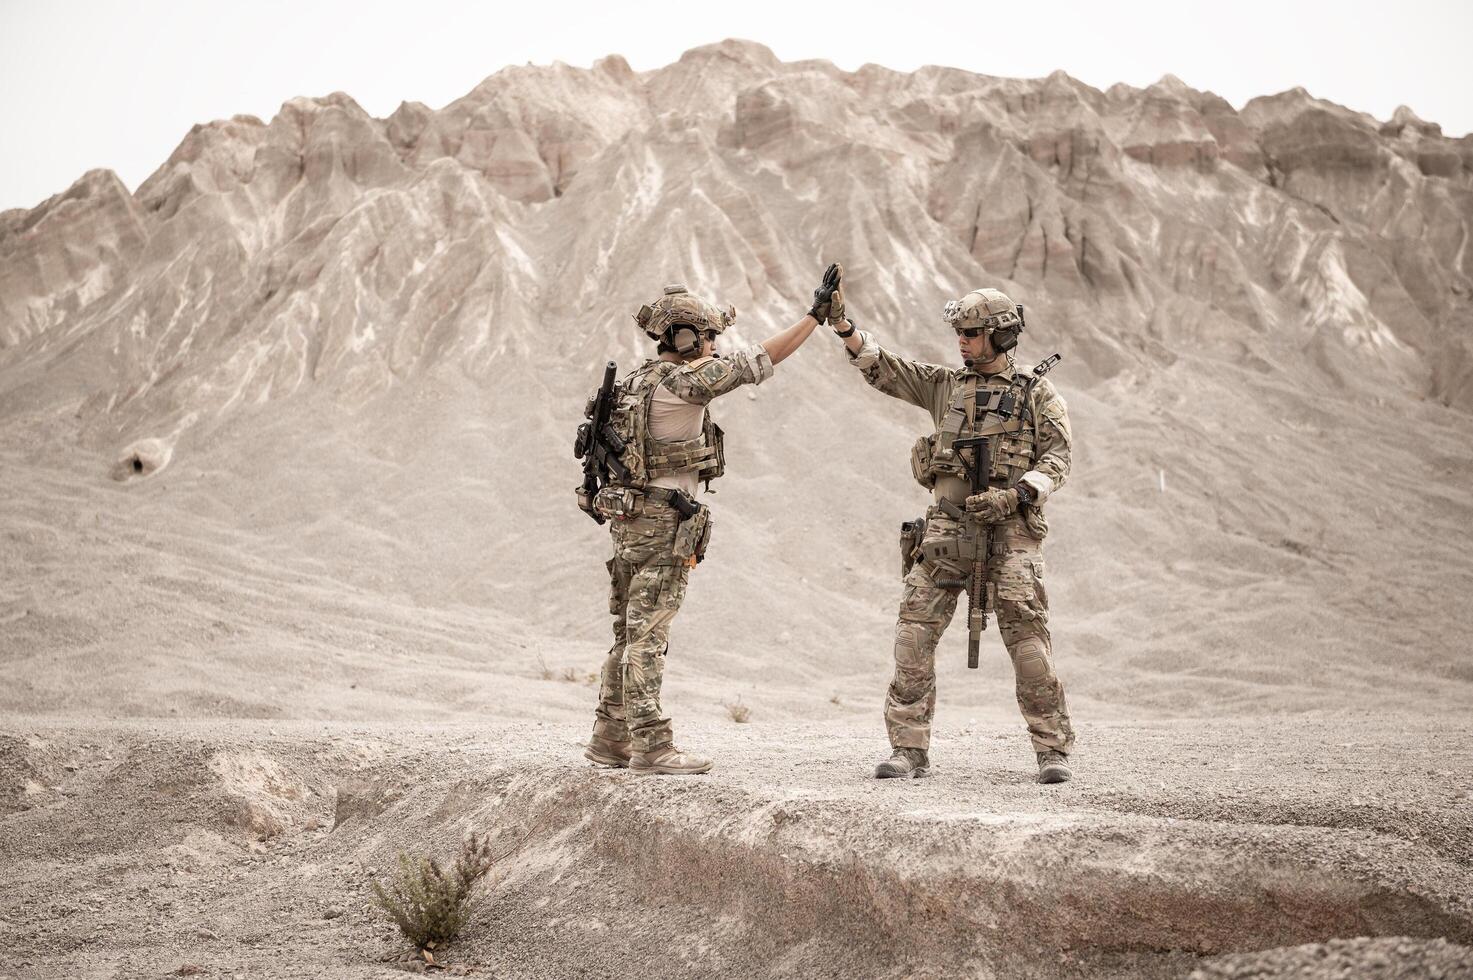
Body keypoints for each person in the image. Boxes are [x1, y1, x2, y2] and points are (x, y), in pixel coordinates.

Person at [581, 270, 839, 775]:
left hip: (628, 521)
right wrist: (814, 317)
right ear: (684, 337)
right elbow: (759, 360)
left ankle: (608, 741)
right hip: (661, 523)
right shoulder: (684, 381)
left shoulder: (632, 383)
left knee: (628, 636)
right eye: (710, 334)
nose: (716, 343)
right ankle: (652, 747)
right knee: (649, 636)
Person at [826, 280, 1077, 784]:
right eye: (959, 332)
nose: (961, 341)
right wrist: (843, 325)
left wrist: (1017, 494)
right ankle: (908, 750)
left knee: (1028, 644)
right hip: (945, 531)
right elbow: (887, 369)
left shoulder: (1036, 394)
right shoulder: (945, 386)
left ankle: (1052, 750)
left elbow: (1059, 457)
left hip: (1011, 531)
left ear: (1001, 337)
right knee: (913, 637)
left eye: (972, 333)